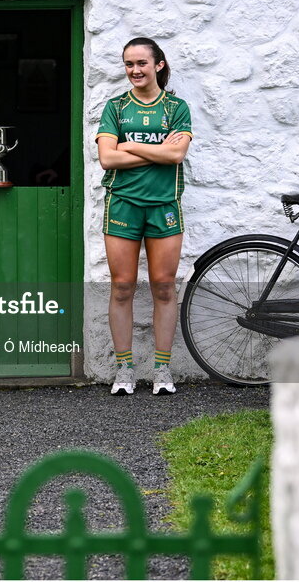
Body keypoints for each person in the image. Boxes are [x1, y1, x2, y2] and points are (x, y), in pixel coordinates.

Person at [94, 37, 193, 396]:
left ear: (159, 65)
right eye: (129, 64)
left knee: (163, 287)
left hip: (164, 204)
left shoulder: (176, 107)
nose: (135, 70)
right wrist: (157, 150)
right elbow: (108, 159)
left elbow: (177, 155)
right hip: (122, 203)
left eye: (142, 63)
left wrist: (130, 145)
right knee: (122, 287)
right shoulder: (116, 108)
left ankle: (162, 370)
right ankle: (125, 369)